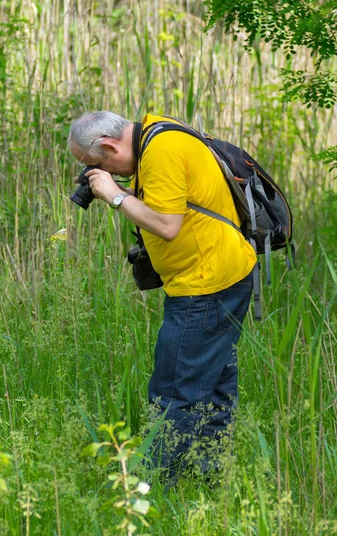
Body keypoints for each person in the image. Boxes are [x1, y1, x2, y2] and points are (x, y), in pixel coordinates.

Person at [68, 110, 257, 483]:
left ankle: (152, 489)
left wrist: (115, 197)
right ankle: (211, 476)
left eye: (98, 165)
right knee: (215, 385)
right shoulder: (157, 136)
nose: (102, 175)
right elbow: (168, 205)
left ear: (109, 144)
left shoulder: (162, 151)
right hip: (223, 272)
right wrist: (121, 190)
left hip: (204, 285)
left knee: (174, 389)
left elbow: (168, 226)